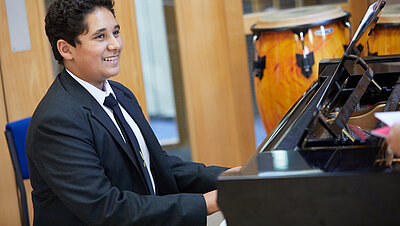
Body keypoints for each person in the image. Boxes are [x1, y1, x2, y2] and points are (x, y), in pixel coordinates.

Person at [26, 0, 238, 225]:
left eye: (115, 33)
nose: (115, 45)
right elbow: (107, 209)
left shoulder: (119, 93)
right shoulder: (57, 122)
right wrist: (208, 202)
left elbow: (156, 164)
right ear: (65, 49)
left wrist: (228, 179)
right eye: (100, 36)